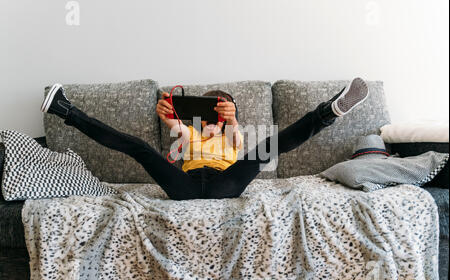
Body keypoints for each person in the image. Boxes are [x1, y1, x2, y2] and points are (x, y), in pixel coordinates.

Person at [41, 78, 369, 200]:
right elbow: (173, 123)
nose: (213, 123)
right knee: (140, 148)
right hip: (183, 187)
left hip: (225, 185)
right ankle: (66, 109)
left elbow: (240, 142)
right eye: (209, 116)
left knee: (266, 148)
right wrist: (166, 110)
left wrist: (231, 119)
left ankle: (330, 111)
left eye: (219, 115)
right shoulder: (192, 133)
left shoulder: (232, 135)